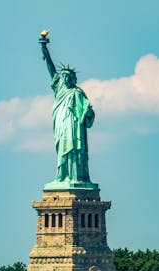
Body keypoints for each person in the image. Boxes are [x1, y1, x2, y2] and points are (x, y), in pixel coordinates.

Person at [40, 33, 95, 186]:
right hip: (61, 124)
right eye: (63, 76)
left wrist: (88, 112)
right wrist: (44, 48)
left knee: (75, 149)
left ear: (74, 79)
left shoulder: (78, 93)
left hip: (74, 126)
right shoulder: (59, 88)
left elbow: (88, 112)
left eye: (68, 76)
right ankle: (62, 176)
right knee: (63, 148)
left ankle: (77, 177)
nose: (65, 78)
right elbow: (50, 67)